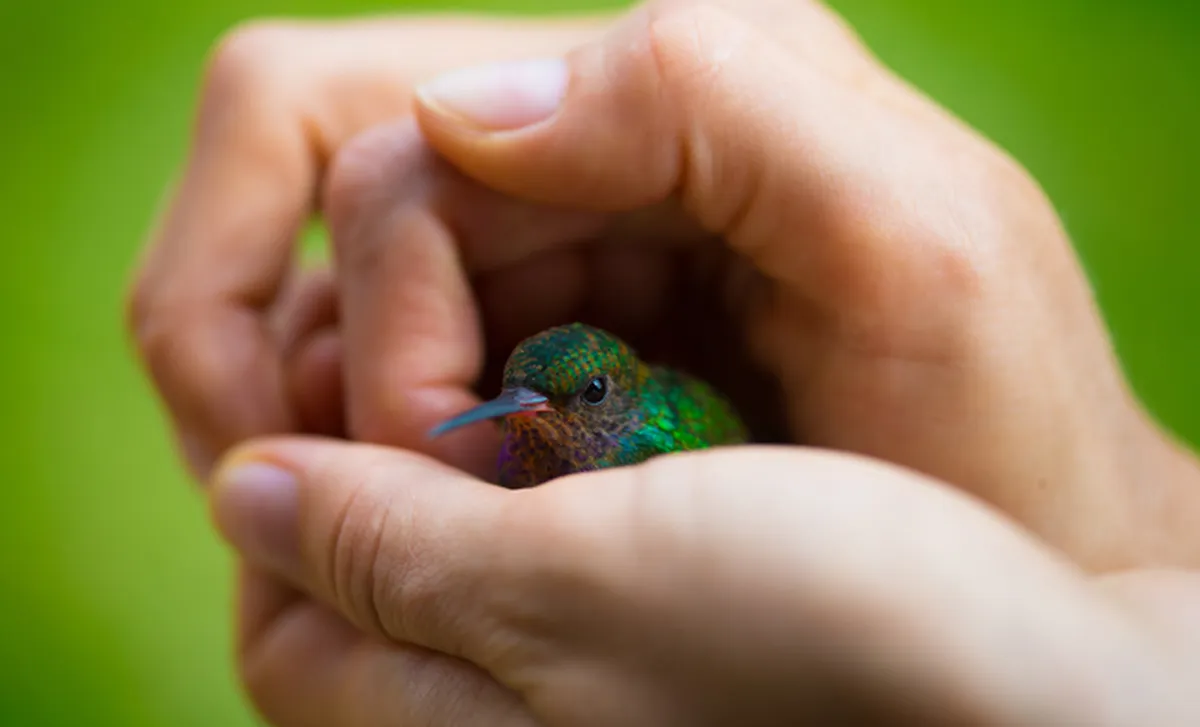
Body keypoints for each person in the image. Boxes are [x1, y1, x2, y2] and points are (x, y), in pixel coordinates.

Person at [126, 1, 1200, 724]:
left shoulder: (654, 438)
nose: (522, 410)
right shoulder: (523, 439)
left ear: (618, 397)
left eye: (571, 395)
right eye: (516, 391)